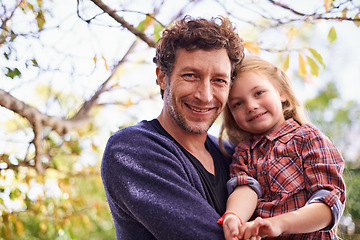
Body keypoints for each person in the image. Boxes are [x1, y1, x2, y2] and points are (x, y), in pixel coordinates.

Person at [101, 15, 245, 239]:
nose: (205, 95)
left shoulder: (236, 154)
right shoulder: (131, 150)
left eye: (219, 80)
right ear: (162, 77)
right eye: (191, 76)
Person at [218, 55, 346, 240]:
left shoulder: (309, 138)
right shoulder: (243, 153)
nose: (251, 106)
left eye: (259, 93)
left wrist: (279, 223)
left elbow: (328, 205)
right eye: (238, 103)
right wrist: (234, 216)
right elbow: (245, 189)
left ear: (281, 93)